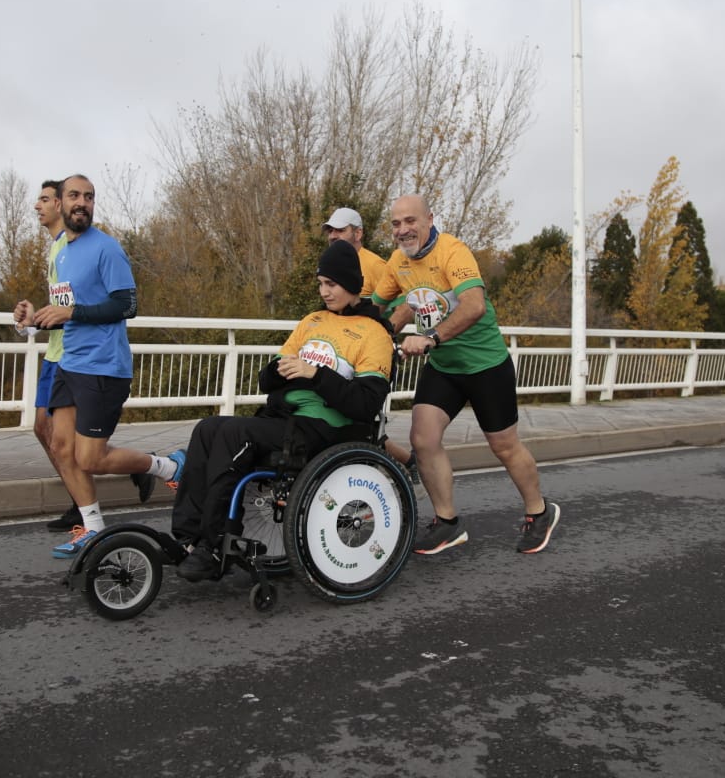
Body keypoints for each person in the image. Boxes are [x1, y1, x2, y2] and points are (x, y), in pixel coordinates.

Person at [171, 240, 395, 581]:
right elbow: (267, 378)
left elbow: (365, 405)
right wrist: (280, 370)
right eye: (321, 284)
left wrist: (315, 373)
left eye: (331, 284)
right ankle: (189, 535)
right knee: (208, 427)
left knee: (234, 435)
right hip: (285, 418)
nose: (324, 291)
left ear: (351, 284)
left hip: (325, 428)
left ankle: (216, 542)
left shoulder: (374, 334)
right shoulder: (312, 321)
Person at [374, 193, 559, 555]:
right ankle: (447, 523)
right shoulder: (398, 262)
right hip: (445, 367)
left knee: (503, 446)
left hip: (486, 365)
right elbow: (382, 309)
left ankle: (539, 512)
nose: (403, 230)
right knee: (423, 439)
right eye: (396, 224)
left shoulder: (452, 252)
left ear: (429, 219)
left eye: (410, 221)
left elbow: (473, 306)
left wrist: (429, 338)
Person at [14, 174, 183, 558]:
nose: (82, 203)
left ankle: (168, 467)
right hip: (69, 362)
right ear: (61, 202)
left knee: (90, 457)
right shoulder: (61, 252)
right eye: (75, 196)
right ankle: (92, 528)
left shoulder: (107, 249)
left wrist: (70, 312)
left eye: (89, 197)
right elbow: (68, 312)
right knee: (61, 448)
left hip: (103, 367)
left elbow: (127, 306)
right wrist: (34, 318)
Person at [11, 179, 81, 532]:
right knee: (45, 430)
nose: (36, 206)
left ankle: (85, 505)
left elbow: (68, 310)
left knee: (63, 436)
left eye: (43, 199)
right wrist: (32, 321)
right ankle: (81, 500)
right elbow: (58, 310)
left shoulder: (67, 248)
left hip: (70, 356)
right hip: (55, 352)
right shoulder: (55, 249)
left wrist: (36, 321)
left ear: (59, 206)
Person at [322, 205, 414, 471]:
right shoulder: (334, 261)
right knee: (339, 417)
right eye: (330, 230)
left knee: (358, 422)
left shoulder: (375, 265)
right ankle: (407, 462)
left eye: (340, 230)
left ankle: (396, 469)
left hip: (364, 352)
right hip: (337, 350)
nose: (333, 235)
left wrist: (381, 334)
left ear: (358, 233)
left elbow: (406, 304)